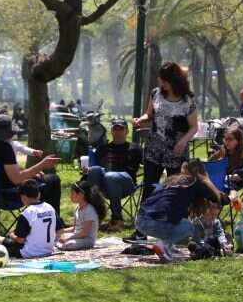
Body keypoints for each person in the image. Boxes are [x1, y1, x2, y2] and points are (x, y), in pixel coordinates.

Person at [134, 158, 223, 263]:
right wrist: (232, 196)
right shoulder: (196, 183)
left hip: (139, 221)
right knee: (188, 227)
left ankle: (169, 247)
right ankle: (164, 245)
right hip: (154, 223)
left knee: (179, 222)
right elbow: (217, 198)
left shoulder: (172, 181)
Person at [134, 62, 199, 203]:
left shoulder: (187, 101)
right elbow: (149, 114)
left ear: (175, 81)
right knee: (149, 186)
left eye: (166, 81)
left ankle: (171, 218)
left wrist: (183, 141)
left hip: (176, 151)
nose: (162, 83)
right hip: (154, 150)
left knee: (174, 187)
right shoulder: (155, 94)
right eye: (161, 80)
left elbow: (194, 127)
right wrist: (141, 119)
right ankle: (145, 217)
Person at [0, 115, 62, 215]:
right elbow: (16, 179)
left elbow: (3, 172)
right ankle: (51, 223)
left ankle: (39, 221)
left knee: (40, 180)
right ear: (9, 134)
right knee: (53, 180)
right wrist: (43, 164)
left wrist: (32, 174)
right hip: (9, 197)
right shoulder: (5, 148)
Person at [83, 119, 140, 230]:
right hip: (105, 185)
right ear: (111, 131)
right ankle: (95, 217)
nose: (118, 131)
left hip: (127, 184)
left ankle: (117, 219)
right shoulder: (102, 149)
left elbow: (148, 164)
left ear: (127, 132)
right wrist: (86, 172)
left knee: (111, 176)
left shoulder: (135, 148)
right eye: (115, 129)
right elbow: (95, 170)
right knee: (94, 170)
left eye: (121, 129)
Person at [0, 179, 57, 259]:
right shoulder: (50, 208)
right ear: (39, 194)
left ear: (23, 197)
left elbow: (20, 240)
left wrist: (11, 235)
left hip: (28, 252)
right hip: (48, 250)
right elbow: (59, 231)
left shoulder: (27, 213)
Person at [56, 180, 105, 251]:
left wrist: (69, 238)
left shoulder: (89, 210)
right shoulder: (77, 208)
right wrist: (60, 232)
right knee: (57, 237)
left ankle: (61, 244)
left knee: (69, 244)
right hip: (77, 236)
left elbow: (85, 233)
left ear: (81, 194)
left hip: (87, 239)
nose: (70, 196)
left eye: (72, 193)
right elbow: (74, 228)